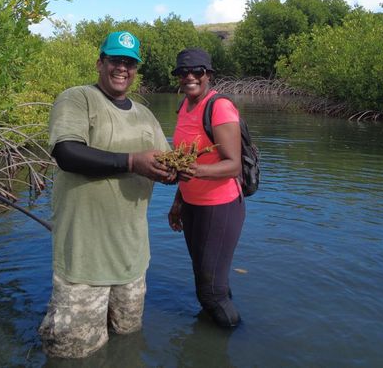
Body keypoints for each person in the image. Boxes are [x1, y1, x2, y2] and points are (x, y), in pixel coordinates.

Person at [39, 30, 173, 359]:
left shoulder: (145, 116)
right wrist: (132, 162)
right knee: (72, 355)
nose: (122, 68)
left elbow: (166, 161)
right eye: (115, 60)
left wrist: (175, 172)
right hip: (84, 261)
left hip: (132, 260)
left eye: (130, 63)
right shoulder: (77, 98)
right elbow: (67, 153)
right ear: (100, 62)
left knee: (127, 345)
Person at [167, 48, 245, 328]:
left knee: (210, 292)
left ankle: (237, 339)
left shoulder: (219, 106)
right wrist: (178, 202)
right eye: (182, 72)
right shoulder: (184, 108)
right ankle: (219, 321)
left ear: (208, 75)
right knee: (208, 278)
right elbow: (185, 161)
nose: (189, 76)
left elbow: (233, 165)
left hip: (220, 207)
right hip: (192, 206)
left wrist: (195, 171)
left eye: (197, 71)